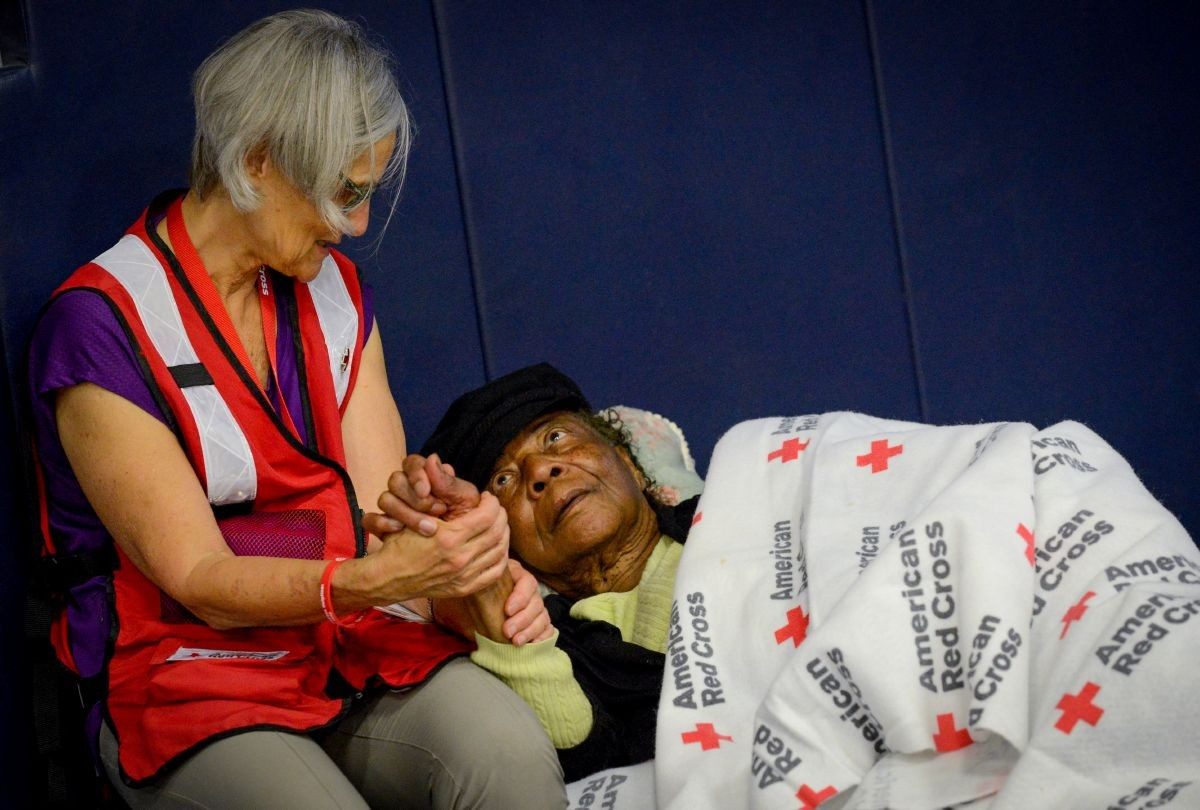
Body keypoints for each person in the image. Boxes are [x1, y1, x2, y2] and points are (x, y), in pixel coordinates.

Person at [27, 11, 565, 809]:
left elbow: (383, 532)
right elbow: (201, 579)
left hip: (346, 640)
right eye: (343, 193)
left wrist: (464, 570)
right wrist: (371, 576)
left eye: (366, 194)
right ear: (256, 160)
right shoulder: (101, 325)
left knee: (508, 756)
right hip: (190, 674)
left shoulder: (336, 298)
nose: (355, 227)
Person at [365, 363, 701, 781]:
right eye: (505, 480)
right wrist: (486, 578)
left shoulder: (733, 511)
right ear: (512, 547)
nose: (541, 471)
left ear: (626, 461)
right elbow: (587, 757)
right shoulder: (559, 648)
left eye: (555, 437)